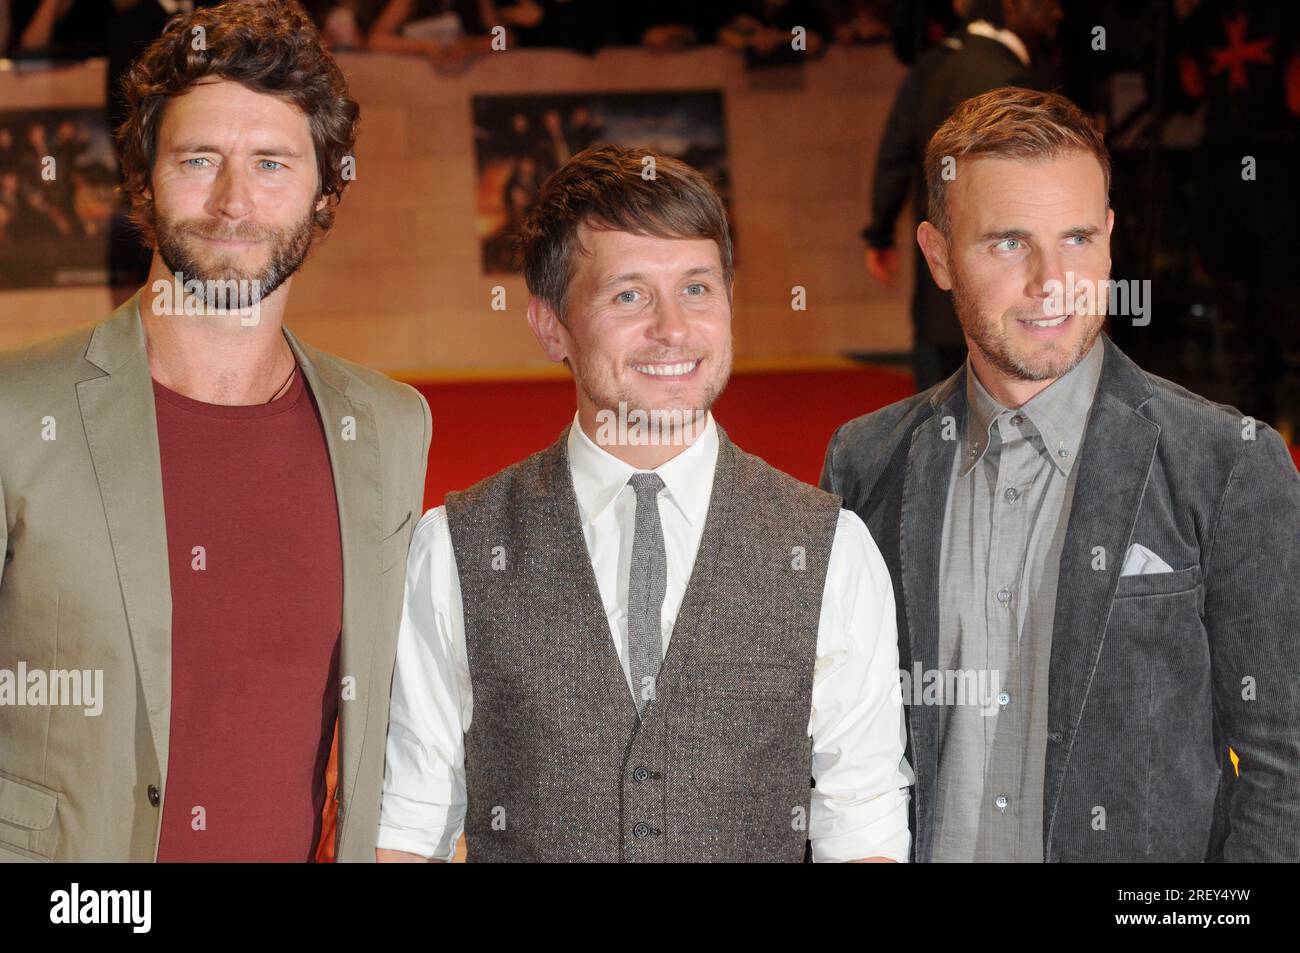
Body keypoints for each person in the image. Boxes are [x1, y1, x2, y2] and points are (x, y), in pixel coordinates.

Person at [376, 145, 912, 862]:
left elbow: (862, 821)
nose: (672, 328)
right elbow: (410, 828)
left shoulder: (831, 549)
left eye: (697, 289)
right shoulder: (454, 548)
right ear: (549, 325)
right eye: (628, 294)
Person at [0, 0, 431, 862]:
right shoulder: (15, 412)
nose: (235, 200)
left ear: (324, 190)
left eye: (273, 163)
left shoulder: (388, 425)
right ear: (142, 181)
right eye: (200, 159)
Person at [823, 87, 1300, 862]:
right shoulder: (868, 460)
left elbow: (1286, 765)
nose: (1053, 281)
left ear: (1111, 239)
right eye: (1009, 243)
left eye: (1077, 238)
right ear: (939, 257)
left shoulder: (1229, 464)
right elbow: (844, 738)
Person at [861, 0, 1062, 391]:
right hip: (998, 288)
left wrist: (880, 231)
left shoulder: (933, 66)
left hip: (940, 281)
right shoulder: (1014, 80)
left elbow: (896, 152)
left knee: (936, 403)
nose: (1058, 13)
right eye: (1048, 3)